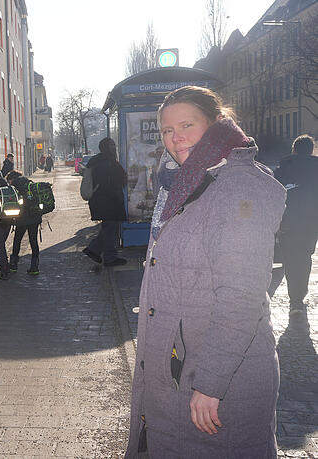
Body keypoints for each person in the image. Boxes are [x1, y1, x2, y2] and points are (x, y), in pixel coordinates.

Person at [125, 86, 285, 457]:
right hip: (182, 370)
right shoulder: (184, 181)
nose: (174, 137)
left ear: (215, 124)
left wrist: (211, 384)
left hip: (218, 381)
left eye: (186, 125)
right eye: (166, 130)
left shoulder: (236, 187)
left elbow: (242, 297)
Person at [273, 134, 318, 314]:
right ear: (311, 150)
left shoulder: (283, 168)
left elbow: (274, 196)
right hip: (311, 223)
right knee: (304, 258)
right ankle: (299, 298)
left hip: (288, 222)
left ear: (294, 149)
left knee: (290, 259)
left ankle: (294, 301)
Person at [82, 138, 127, 267]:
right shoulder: (105, 162)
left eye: (114, 144)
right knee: (110, 229)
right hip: (107, 201)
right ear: (105, 147)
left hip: (103, 201)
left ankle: (93, 249)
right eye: (111, 145)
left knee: (109, 228)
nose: (114, 147)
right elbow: (108, 183)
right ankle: (109, 257)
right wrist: (117, 198)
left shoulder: (101, 160)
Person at [5, 170, 42, 275]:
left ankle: (13, 265)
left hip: (21, 219)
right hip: (34, 218)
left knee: (17, 241)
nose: (9, 183)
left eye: (9, 181)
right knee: (33, 241)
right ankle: (34, 267)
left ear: (11, 179)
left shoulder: (14, 187)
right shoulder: (30, 183)